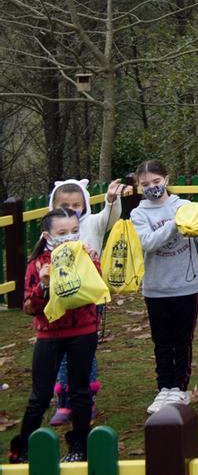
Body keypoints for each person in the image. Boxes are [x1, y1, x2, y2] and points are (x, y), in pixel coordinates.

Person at [7, 210, 102, 464]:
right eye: (62, 233)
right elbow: (29, 306)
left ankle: (80, 446)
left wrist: (93, 263)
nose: (69, 237)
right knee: (40, 394)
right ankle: (23, 448)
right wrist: (44, 284)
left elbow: (96, 290)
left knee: (80, 392)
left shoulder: (84, 255)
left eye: (73, 231)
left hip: (83, 331)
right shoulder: (37, 263)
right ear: (48, 235)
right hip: (49, 335)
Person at [46, 178, 129, 425]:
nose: (71, 209)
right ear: (54, 205)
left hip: (89, 298)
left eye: (76, 204)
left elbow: (109, 217)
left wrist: (112, 199)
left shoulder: (92, 223)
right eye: (64, 204)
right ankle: (63, 401)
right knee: (59, 349)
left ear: (84, 204)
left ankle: (87, 398)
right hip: (60, 297)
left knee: (85, 349)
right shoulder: (53, 230)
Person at [130, 160, 198, 415]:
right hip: (156, 287)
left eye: (156, 181)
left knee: (182, 339)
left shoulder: (184, 206)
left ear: (167, 179)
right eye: (145, 184)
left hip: (186, 285)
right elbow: (149, 242)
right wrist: (174, 223)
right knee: (161, 341)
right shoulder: (139, 214)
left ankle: (180, 388)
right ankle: (164, 387)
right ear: (138, 187)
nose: (152, 187)